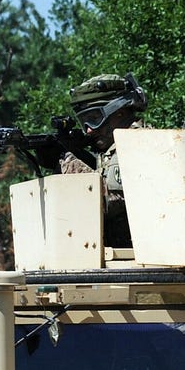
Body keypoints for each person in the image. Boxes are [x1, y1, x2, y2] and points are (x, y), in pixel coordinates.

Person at [61, 73, 147, 248]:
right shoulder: (111, 149)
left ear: (120, 112)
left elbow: (110, 202)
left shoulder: (137, 143)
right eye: (84, 122)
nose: (89, 131)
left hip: (140, 259)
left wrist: (68, 162)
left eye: (94, 119)